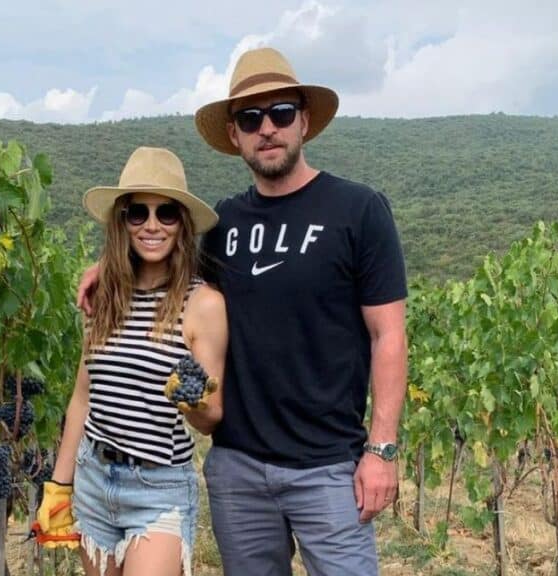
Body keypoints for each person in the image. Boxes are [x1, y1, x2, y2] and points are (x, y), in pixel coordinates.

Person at [78, 47, 408, 576]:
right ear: (234, 135)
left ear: (303, 120)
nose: (267, 129)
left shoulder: (358, 210)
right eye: (251, 118)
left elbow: (387, 335)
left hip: (328, 468)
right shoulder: (224, 223)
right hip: (237, 469)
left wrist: (382, 450)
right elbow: (160, 255)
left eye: (280, 113)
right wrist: (107, 265)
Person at [37, 146, 228, 576]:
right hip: (93, 477)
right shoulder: (104, 296)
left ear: (183, 224)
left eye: (167, 214)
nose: (152, 225)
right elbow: (82, 398)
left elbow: (211, 418)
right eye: (138, 213)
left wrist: (192, 398)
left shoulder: (204, 305)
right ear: (121, 221)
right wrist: (60, 484)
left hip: (157, 488)